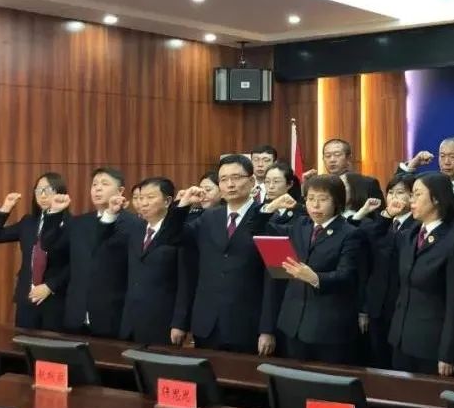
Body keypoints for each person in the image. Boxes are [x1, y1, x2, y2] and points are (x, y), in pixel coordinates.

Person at [165, 155, 279, 354]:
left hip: (247, 324)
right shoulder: (208, 217)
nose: (230, 184)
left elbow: (275, 278)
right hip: (207, 323)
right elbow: (172, 237)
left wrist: (267, 329)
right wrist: (182, 206)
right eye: (224, 179)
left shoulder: (268, 217)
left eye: (236, 177)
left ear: (252, 181)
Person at [260, 175, 364, 364]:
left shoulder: (350, 233)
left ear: (337, 201)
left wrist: (315, 278)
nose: (315, 205)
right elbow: (260, 229)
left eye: (323, 199)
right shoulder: (300, 225)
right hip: (293, 325)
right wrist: (271, 207)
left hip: (328, 329)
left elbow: (347, 276)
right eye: (310, 199)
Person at [40, 168, 141, 337]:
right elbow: (49, 245)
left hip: (112, 316)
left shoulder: (133, 224)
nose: (97, 188)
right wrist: (55, 214)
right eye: (94, 184)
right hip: (75, 315)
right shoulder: (79, 223)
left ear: (120, 191)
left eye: (104, 184)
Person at [98, 178, 192, 345]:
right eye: (140, 198)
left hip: (162, 320)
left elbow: (185, 281)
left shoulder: (180, 232)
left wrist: (180, 322)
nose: (143, 203)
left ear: (167, 201)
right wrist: (111, 213)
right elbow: (105, 243)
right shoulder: (135, 228)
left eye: (150, 197)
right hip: (130, 319)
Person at [387, 173, 454, 376]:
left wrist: (447, 351)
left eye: (417, 194)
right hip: (401, 338)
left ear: (436, 198)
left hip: (431, 344)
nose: (410, 200)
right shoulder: (410, 235)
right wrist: (387, 214)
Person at [0, 172, 70, 330]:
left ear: (61, 193)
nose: (43, 195)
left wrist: (50, 286)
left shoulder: (71, 224)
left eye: (48, 190)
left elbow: (74, 264)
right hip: (27, 298)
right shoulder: (28, 222)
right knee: (23, 342)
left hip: (55, 299)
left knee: (51, 344)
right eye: (39, 190)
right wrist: (6, 208)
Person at [354, 177, 416, 368]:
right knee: (377, 362)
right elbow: (357, 241)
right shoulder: (381, 223)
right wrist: (364, 308)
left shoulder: (417, 226)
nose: (394, 197)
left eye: (400, 192)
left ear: (413, 197)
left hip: (402, 307)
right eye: (390, 193)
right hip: (376, 306)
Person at [398, 137, 454, 204]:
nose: (446, 162)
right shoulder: (432, 181)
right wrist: (413, 164)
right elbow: (398, 187)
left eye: (453, 157)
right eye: (442, 156)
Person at [312, 138, 383, 202]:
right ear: (323, 159)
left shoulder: (367, 183)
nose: (332, 160)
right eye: (328, 156)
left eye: (337, 155)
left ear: (348, 158)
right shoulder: (319, 184)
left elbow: (379, 211)